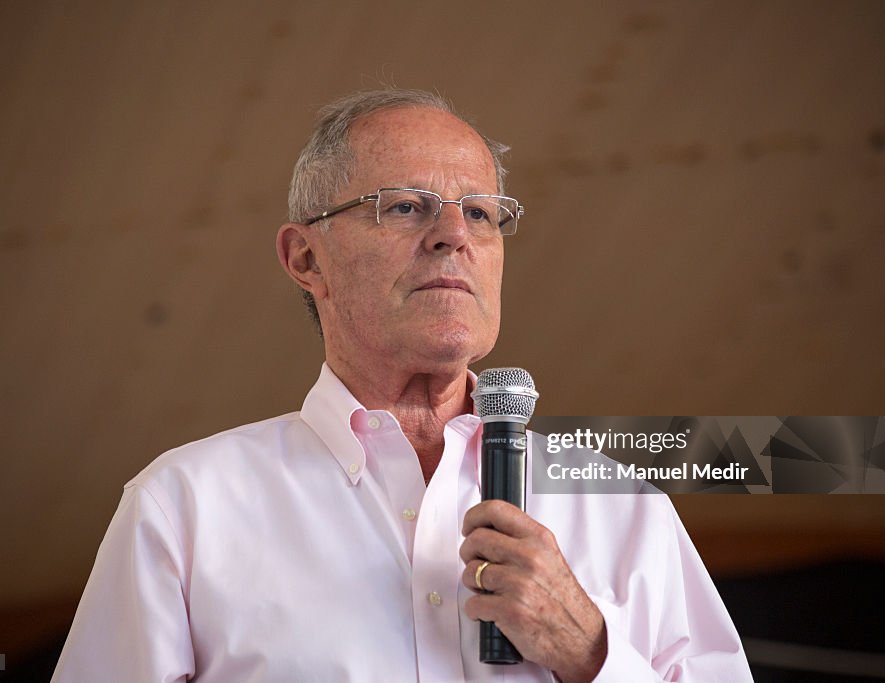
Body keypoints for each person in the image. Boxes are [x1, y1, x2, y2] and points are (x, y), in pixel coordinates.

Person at [52, 89, 752, 682]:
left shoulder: (623, 508)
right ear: (305, 257)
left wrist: (592, 651)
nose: (455, 234)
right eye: (405, 206)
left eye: (480, 212)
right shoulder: (183, 511)